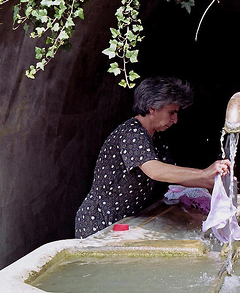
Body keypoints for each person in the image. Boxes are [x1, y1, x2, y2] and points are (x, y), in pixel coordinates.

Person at [75, 76, 231, 238]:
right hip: (100, 221)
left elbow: (173, 175)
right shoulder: (132, 133)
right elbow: (155, 170)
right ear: (152, 108)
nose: (175, 120)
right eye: (172, 112)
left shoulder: (156, 138)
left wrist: (216, 182)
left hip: (123, 222)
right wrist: (204, 173)